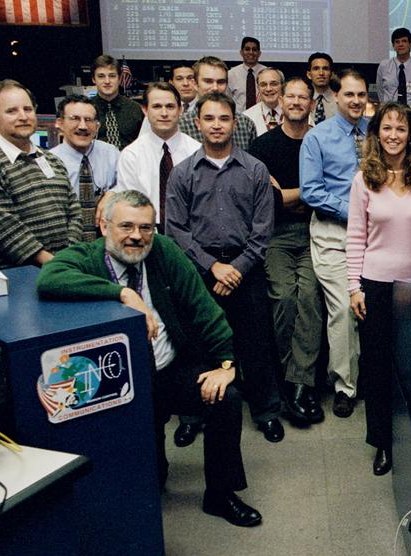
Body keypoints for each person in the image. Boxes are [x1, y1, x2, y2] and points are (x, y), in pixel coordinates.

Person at [36, 189, 262, 527]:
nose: (137, 237)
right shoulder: (88, 257)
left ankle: (221, 494)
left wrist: (226, 365)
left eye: (146, 228)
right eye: (126, 226)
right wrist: (122, 293)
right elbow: (49, 277)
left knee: (226, 397)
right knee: (149, 480)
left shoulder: (164, 251)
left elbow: (204, 309)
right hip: (120, 380)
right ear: (104, 226)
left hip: (168, 368)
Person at [166, 92, 284, 443]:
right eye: (210, 118)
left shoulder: (255, 170)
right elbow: (176, 229)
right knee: (197, 345)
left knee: (256, 344)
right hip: (199, 269)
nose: (217, 125)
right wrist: (213, 266)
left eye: (224, 119)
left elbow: (264, 229)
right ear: (198, 123)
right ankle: (193, 414)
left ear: (234, 123)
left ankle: (266, 411)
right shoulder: (183, 172)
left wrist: (237, 268)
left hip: (245, 268)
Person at [347, 102, 411, 476]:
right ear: (376, 133)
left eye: (401, 128)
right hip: (377, 286)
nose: (393, 135)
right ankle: (382, 442)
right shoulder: (364, 179)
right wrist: (354, 287)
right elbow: (355, 238)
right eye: (386, 128)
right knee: (378, 368)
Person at [247, 77, 326, 427]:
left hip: (315, 231)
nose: (295, 101)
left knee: (309, 296)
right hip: (275, 235)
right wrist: (305, 193)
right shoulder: (262, 146)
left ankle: (299, 385)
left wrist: (292, 195)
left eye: (302, 97)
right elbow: (271, 199)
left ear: (312, 103)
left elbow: (321, 192)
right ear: (280, 100)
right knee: (283, 298)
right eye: (289, 95)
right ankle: (289, 375)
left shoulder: (320, 140)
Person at [300, 70, 370, 417]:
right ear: (336, 97)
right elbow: (311, 191)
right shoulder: (318, 137)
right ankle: (345, 385)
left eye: (361, 95)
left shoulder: (378, 131)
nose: (355, 101)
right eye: (349, 95)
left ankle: (372, 378)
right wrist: (356, 213)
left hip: (378, 233)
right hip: (334, 233)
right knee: (343, 308)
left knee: (374, 308)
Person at [0, 80, 81, 269]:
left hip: (61, 272)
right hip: (16, 280)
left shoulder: (53, 160)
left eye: (28, 109)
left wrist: (68, 258)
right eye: (12, 111)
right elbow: (4, 230)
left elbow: (74, 212)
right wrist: (55, 264)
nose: (23, 117)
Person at [117, 82, 202, 233]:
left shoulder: (196, 152)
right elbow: (129, 206)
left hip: (192, 234)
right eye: (156, 106)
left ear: (180, 110)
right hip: (146, 235)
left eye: (170, 106)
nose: (164, 113)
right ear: (145, 110)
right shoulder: (131, 155)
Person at [51, 96, 119, 239]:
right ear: (60, 123)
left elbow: (128, 184)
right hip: (66, 241)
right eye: (75, 118)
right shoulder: (49, 162)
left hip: (108, 241)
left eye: (89, 120)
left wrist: (112, 194)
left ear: (97, 126)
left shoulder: (111, 153)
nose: (83, 126)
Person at [178, 56, 258, 148]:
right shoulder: (181, 125)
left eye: (220, 82)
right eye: (208, 81)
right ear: (195, 84)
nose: (215, 88)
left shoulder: (245, 124)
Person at [89, 54, 144, 148]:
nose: (107, 81)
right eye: (101, 76)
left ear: (119, 79)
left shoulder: (136, 109)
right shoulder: (86, 109)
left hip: (129, 160)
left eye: (112, 76)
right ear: (94, 79)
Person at [375, 26, 411, 105]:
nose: (400, 44)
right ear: (393, 46)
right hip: (389, 112)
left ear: (410, 44)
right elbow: (380, 91)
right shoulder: (384, 66)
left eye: (404, 41)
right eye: (397, 42)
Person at [226, 36, 265, 113]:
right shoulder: (231, 74)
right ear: (241, 52)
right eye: (247, 49)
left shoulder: (267, 73)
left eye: (254, 49)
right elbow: (227, 101)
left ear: (259, 53)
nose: (251, 52)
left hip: (262, 117)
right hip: (239, 119)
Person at [244, 66, 285, 136]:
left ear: (282, 86)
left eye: (274, 84)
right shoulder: (247, 117)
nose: (268, 89)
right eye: (263, 85)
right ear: (258, 88)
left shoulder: (293, 112)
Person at [308, 51, 338, 121]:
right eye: (316, 69)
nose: (321, 73)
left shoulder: (340, 100)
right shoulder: (303, 100)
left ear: (331, 74)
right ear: (309, 75)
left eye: (325, 69)